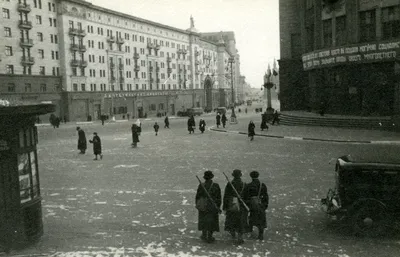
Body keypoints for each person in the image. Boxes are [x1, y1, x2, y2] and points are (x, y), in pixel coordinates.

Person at [223, 169, 248, 245]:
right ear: (240, 175)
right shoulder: (244, 184)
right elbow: (247, 196)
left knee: (231, 219)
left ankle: (232, 232)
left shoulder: (230, 184)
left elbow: (226, 196)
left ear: (233, 175)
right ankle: (240, 237)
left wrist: (225, 206)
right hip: (241, 206)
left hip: (231, 205)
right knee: (241, 221)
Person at [195, 170, 222, 243]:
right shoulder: (216, 185)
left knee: (203, 219)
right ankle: (210, 236)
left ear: (205, 178)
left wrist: (198, 205)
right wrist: (218, 206)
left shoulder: (201, 185)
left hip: (203, 205)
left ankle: (204, 235)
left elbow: (197, 196)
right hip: (212, 206)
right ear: (211, 177)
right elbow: (219, 197)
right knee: (212, 221)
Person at [243, 171, 269, 241]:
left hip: (252, 204)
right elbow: (266, 196)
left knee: (252, 217)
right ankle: (260, 234)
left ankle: (250, 229)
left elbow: (245, 197)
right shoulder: (262, 185)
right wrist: (265, 205)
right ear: (258, 176)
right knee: (261, 219)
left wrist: (248, 205)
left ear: (251, 176)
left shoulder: (248, 185)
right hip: (260, 204)